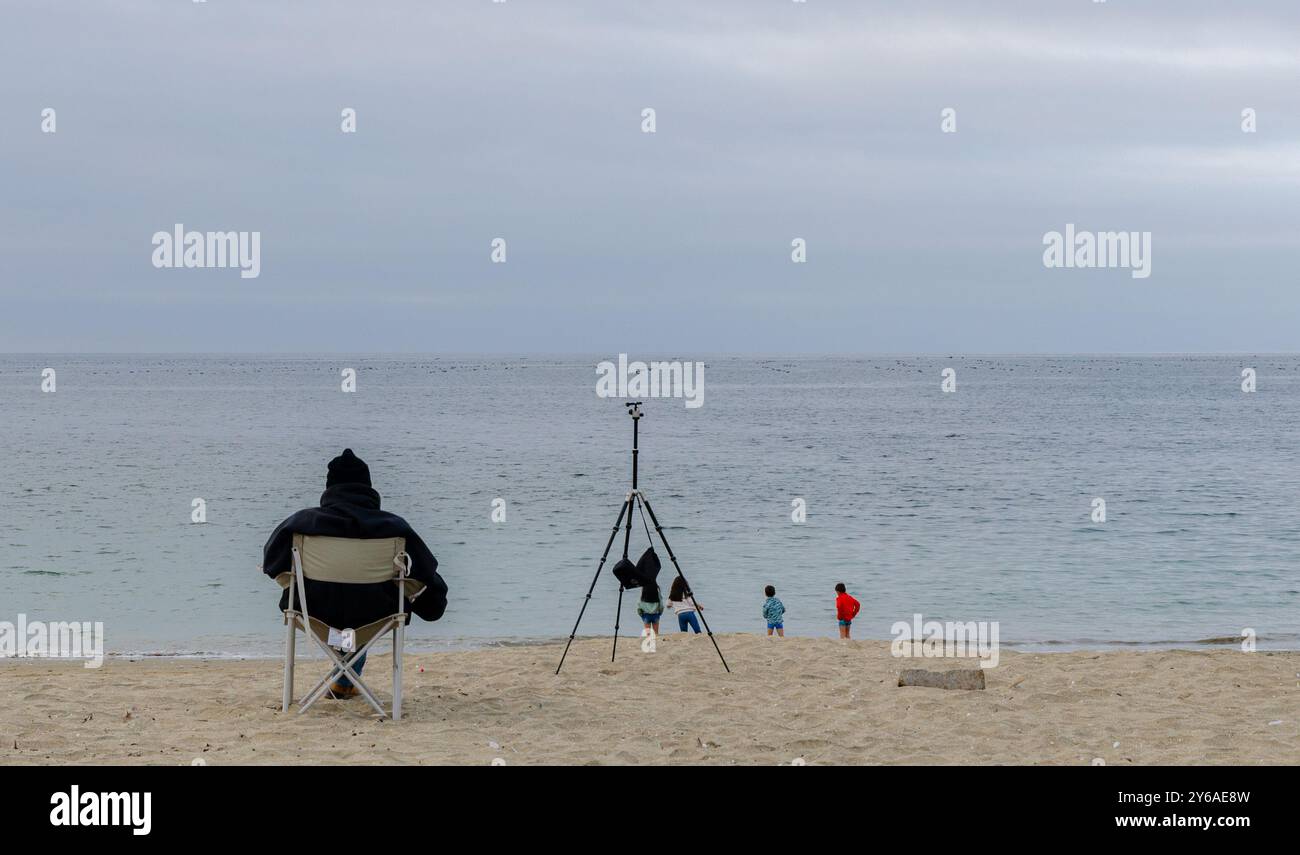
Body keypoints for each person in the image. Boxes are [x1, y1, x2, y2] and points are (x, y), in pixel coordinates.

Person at [262, 449, 448, 699]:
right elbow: (426, 570)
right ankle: (345, 676)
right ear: (368, 487)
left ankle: (344, 676)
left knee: (336, 602)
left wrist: (292, 585)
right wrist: (427, 599)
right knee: (365, 603)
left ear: (329, 487)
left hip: (314, 612)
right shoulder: (394, 527)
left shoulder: (301, 523)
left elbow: (271, 563)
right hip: (376, 616)